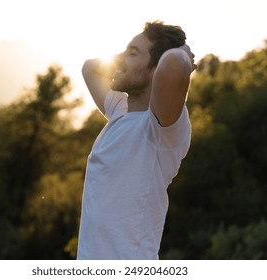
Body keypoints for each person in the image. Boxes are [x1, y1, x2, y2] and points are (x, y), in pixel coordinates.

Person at [77, 21, 197, 260]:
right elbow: (89, 68)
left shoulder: (160, 129)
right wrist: (125, 58)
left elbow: (174, 64)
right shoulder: (120, 111)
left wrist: (183, 51)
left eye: (134, 53)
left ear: (155, 69)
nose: (120, 59)